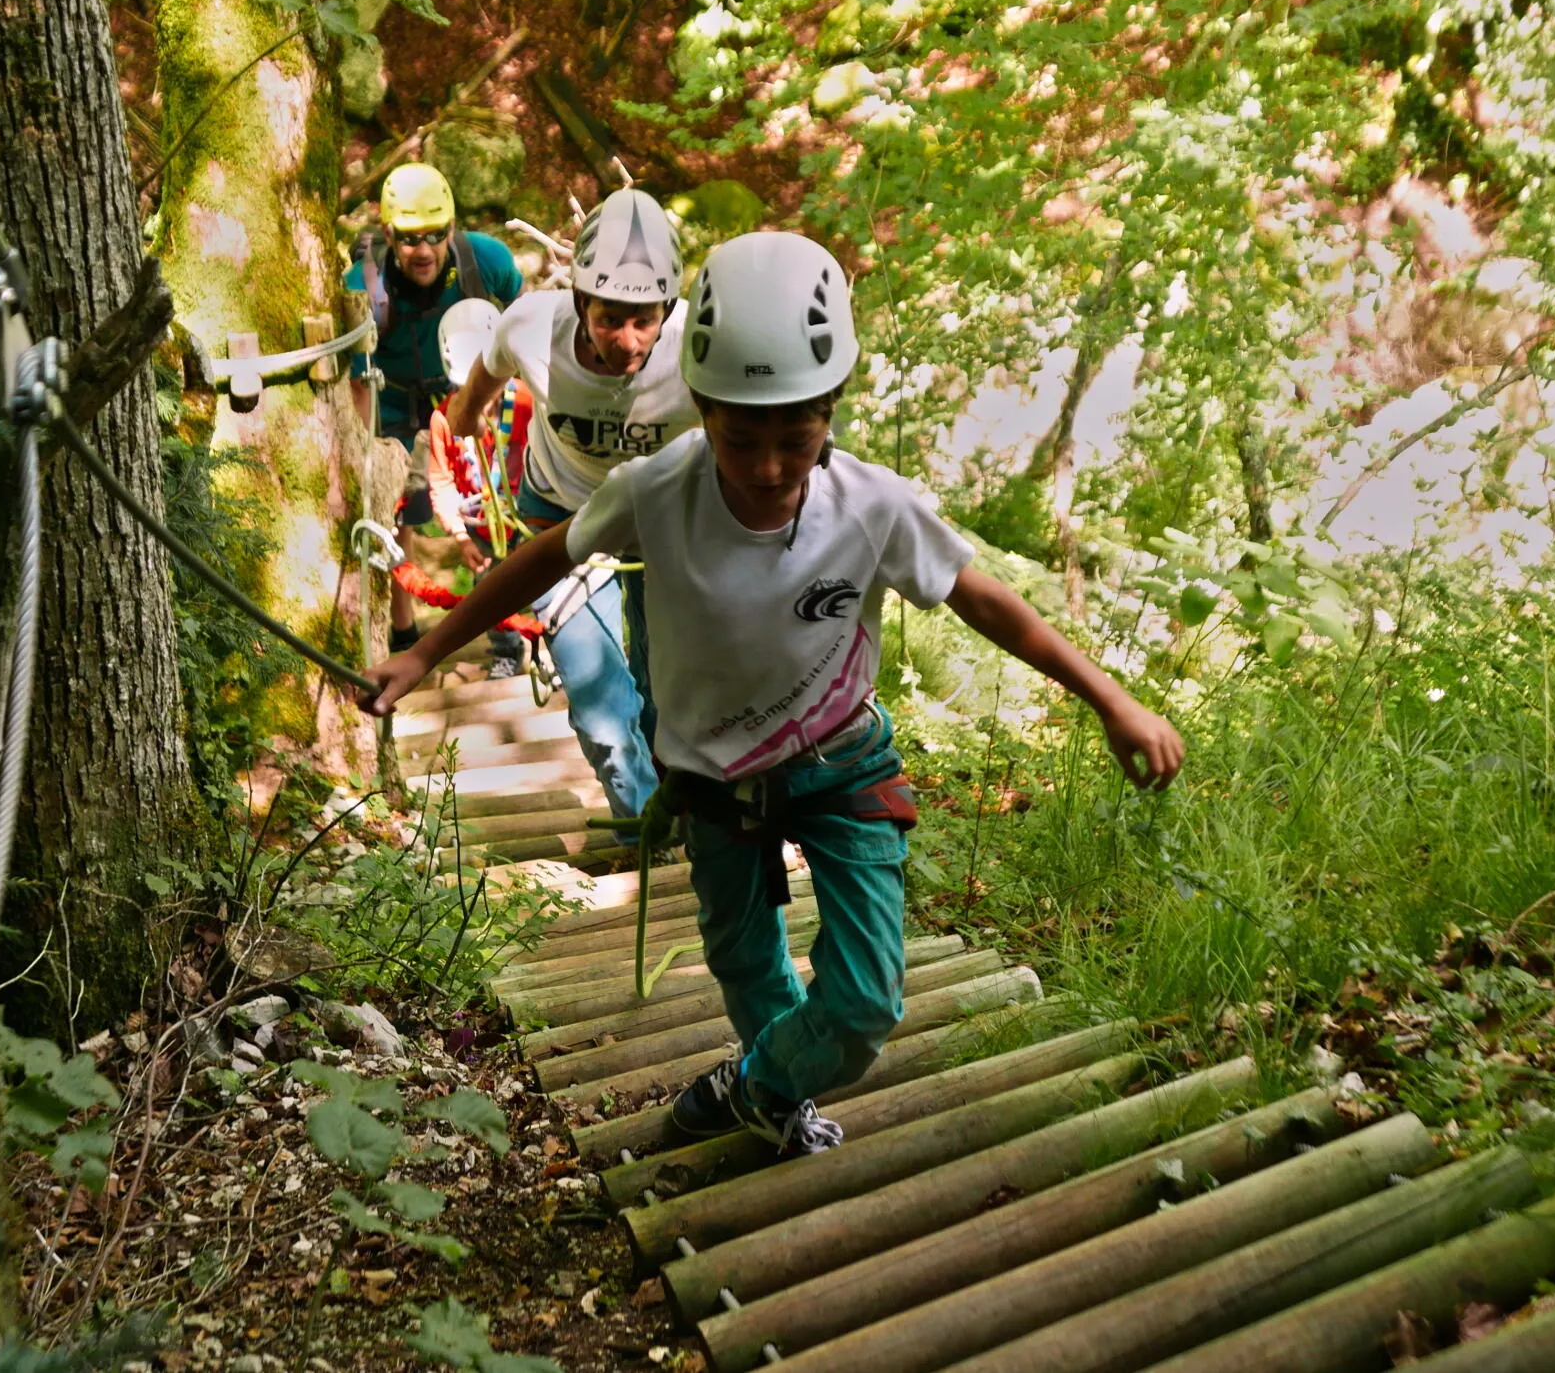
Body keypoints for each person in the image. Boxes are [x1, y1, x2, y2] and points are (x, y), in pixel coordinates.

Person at [362, 231, 1185, 1155]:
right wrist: (425, 653)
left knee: (866, 1000)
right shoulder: (658, 488)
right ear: (701, 408)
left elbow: (987, 601)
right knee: (746, 967)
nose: (764, 467)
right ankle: (778, 1104)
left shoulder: (873, 507)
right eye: (737, 435)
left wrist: (1112, 699)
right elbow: (546, 555)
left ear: (831, 410)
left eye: (795, 438)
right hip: (712, 783)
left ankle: (747, 1086)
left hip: (841, 767)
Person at [446, 186, 696, 823]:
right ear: (579, 300)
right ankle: (646, 829)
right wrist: (467, 417)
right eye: (609, 317)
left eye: (645, 319)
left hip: (665, 519)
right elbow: (484, 375)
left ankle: (681, 799)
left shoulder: (699, 342)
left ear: (669, 306)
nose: (628, 339)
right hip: (561, 515)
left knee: (668, 685)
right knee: (599, 703)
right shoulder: (533, 323)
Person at [347, 162, 523, 652]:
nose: (423, 249)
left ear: (451, 227)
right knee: (393, 512)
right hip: (394, 401)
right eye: (408, 238)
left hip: (467, 393)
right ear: (388, 233)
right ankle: (404, 633)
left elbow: (524, 320)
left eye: (434, 234)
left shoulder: (483, 260)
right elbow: (359, 381)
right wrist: (368, 455)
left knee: (488, 505)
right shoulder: (364, 286)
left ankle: (504, 634)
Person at [427, 299, 527, 680]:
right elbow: (441, 480)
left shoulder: (528, 403)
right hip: (481, 526)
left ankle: (557, 652)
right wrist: (458, 534)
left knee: (546, 586)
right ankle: (507, 650)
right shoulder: (445, 419)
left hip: (528, 516)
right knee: (490, 592)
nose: (480, 395)